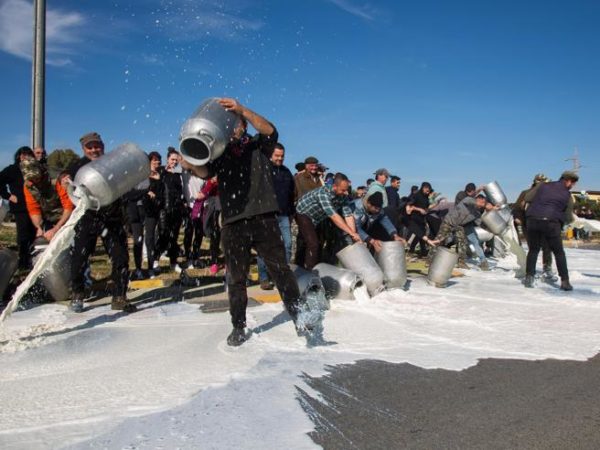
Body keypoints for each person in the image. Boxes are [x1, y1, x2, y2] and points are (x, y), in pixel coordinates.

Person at [183, 98, 306, 347]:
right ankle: (238, 326)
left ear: (243, 125)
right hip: (233, 222)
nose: (232, 128)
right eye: (228, 124)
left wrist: (242, 110)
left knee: (280, 271)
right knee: (236, 278)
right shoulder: (220, 150)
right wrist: (191, 165)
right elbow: (207, 171)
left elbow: (270, 129)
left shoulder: (258, 146)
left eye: (235, 124)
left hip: (263, 217)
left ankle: (299, 316)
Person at [68, 132, 135, 313]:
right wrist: (63, 179)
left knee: (120, 257)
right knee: (79, 258)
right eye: (89, 147)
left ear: (103, 146)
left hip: (112, 218)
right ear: (84, 149)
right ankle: (77, 293)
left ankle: (119, 297)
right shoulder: (77, 165)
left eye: (96, 146)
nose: (94, 150)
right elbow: (65, 179)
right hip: (87, 218)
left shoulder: (111, 164)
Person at [523, 171, 579, 291]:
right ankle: (565, 282)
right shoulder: (568, 196)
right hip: (551, 223)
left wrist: (538, 187)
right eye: (573, 183)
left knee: (533, 250)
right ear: (567, 180)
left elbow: (527, 198)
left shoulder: (543, 185)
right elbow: (568, 216)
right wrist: (568, 222)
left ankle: (529, 277)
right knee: (559, 252)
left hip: (532, 220)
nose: (573, 185)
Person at [295, 173, 360, 269]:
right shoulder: (323, 193)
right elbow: (334, 216)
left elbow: (348, 215)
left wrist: (354, 235)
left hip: (317, 217)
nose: (346, 193)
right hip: (304, 213)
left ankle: (309, 267)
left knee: (317, 242)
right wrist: (351, 232)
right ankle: (309, 273)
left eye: (346, 190)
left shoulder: (343, 197)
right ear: (334, 186)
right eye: (343, 190)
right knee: (313, 243)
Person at [257, 143, 295, 290]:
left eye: (282, 156)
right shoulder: (263, 170)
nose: (280, 158)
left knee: (287, 245)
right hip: (266, 215)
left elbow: (291, 193)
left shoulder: (286, 172)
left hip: (284, 215)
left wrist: (291, 212)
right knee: (265, 247)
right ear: (270, 155)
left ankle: (281, 276)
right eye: (277, 155)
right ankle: (264, 277)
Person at [430, 194, 493, 270]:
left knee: (462, 243)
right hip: (449, 222)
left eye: (484, 203)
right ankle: (429, 259)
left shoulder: (477, 213)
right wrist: (485, 205)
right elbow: (474, 202)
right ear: (478, 199)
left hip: (459, 226)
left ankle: (461, 262)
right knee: (439, 240)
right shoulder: (468, 200)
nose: (482, 205)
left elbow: (480, 223)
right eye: (482, 202)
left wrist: (490, 230)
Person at [21, 157, 74, 242]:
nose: (35, 182)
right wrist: (39, 228)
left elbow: (68, 206)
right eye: (31, 179)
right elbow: (33, 209)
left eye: (37, 178)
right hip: (50, 218)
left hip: (69, 217)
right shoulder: (28, 185)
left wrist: (56, 228)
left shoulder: (58, 178)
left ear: (42, 171)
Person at [0, 147, 36, 269]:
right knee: (23, 235)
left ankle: (33, 261)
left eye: (28, 154)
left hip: (35, 206)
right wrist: (8, 195)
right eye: (23, 154)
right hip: (20, 206)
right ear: (19, 156)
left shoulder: (34, 168)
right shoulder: (12, 169)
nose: (26, 157)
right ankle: (23, 262)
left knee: (33, 233)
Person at [143, 152, 163, 278]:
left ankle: (156, 256)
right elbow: (139, 189)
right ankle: (151, 262)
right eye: (154, 160)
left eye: (158, 161)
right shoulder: (144, 175)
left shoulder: (161, 174)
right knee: (149, 235)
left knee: (161, 233)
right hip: (149, 209)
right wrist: (147, 192)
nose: (157, 163)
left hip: (160, 208)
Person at [182, 167, 205, 268]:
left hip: (201, 206)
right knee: (189, 232)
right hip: (189, 206)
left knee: (199, 232)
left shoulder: (202, 175)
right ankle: (188, 256)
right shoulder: (186, 173)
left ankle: (196, 256)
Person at [406, 182, 435, 257]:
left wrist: (428, 209)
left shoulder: (426, 197)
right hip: (414, 218)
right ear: (423, 188)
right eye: (427, 190)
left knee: (421, 234)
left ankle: (421, 251)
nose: (428, 192)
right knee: (420, 234)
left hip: (421, 219)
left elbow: (427, 207)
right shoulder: (416, 195)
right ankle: (415, 250)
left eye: (429, 191)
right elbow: (410, 206)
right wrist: (419, 209)